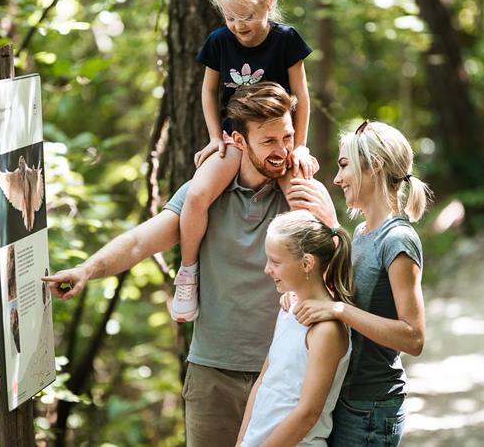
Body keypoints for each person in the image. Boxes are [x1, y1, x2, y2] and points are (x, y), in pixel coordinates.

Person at [44, 82, 335, 445]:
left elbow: (335, 274)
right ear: (239, 141)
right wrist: (87, 269)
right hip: (212, 373)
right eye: (269, 141)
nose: (283, 151)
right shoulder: (204, 196)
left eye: (287, 137)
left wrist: (329, 221)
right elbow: (139, 242)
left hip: (282, 372)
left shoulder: (302, 193)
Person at [170, 0, 317, 323]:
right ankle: (188, 273)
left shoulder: (286, 41)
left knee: (302, 203)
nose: (238, 24)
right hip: (235, 140)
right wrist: (212, 138)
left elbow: (302, 96)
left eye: (246, 16)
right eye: (230, 17)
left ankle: (304, 280)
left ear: (268, 4)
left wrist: (299, 145)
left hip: (276, 142)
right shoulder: (219, 41)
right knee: (196, 195)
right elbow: (208, 90)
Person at [284, 120, 431, 446]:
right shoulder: (363, 235)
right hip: (346, 400)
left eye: (344, 165)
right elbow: (347, 296)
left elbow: (415, 337)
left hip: (372, 408)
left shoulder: (398, 240)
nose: (337, 179)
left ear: (374, 165)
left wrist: (337, 310)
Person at [236, 210, 352, 446]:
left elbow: (308, 413)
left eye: (275, 262)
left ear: (307, 263)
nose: (267, 269)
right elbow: (264, 381)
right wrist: (242, 441)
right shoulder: (288, 309)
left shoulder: (325, 330)